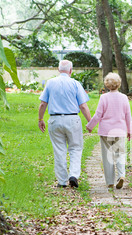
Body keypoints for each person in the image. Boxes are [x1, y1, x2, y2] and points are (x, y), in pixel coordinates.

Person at [38, 60, 92, 188]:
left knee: (59, 150)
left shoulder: (50, 83)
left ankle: (62, 181)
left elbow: (42, 104)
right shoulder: (75, 83)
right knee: (75, 148)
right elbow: (83, 106)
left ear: (58, 69)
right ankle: (73, 175)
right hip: (72, 119)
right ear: (71, 70)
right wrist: (90, 122)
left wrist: (40, 119)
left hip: (55, 120)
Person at [86, 72, 132, 189]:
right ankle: (121, 175)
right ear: (119, 84)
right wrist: (129, 130)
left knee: (107, 156)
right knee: (120, 154)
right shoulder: (124, 98)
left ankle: (110, 182)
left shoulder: (104, 98)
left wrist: (90, 126)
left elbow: (98, 115)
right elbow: (128, 115)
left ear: (107, 84)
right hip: (120, 130)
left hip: (106, 131)